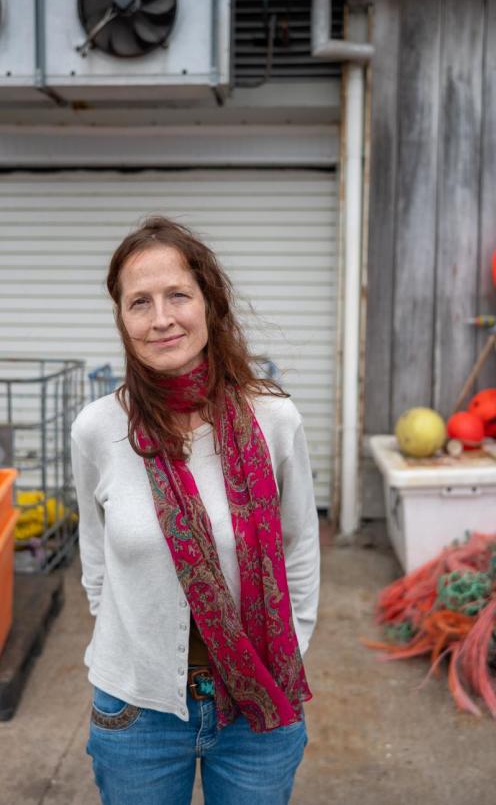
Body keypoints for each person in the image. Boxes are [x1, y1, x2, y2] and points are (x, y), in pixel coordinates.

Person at [70, 216, 321, 804]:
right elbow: (95, 557)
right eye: (140, 302)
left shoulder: (274, 421)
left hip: (260, 701)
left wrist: (289, 649)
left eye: (178, 295)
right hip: (138, 713)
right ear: (123, 319)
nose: (161, 318)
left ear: (209, 302)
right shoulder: (97, 429)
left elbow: (300, 544)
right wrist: (135, 648)